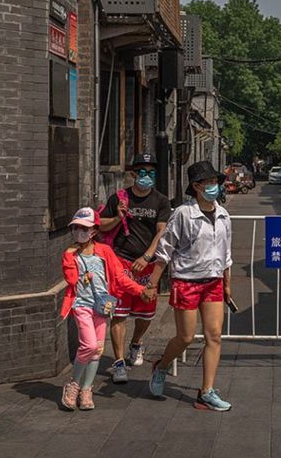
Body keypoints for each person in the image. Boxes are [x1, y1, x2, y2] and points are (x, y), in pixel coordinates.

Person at [147, 160, 233, 411]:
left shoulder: (223, 215)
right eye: (208, 183)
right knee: (185, 337)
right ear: (196, 186)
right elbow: (164, 251)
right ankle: (161, 366)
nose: (213, 187)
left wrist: (227, 284)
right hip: (186, 282)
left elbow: (226, 253)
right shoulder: (183, 214)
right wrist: (152, 284)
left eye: (215, 182)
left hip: (213, 282)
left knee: (214, 336)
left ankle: (206, 391)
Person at [59, 207, 157, 411]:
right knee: (88, 346)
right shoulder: (70, 255)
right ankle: (73, 385)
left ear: (94, 231)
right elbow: (71, 280)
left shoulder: (105, 252)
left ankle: (87, 389)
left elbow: (120, 278)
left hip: (102, 306)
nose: (79, 232)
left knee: (98, 350)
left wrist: (140, 290)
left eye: (84, 228)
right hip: (81, 305)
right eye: (76, 228)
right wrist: (71, 260)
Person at [98, 153, 172, 384]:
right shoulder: (119, 198)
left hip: (147, 266)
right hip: (120, 260)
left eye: (151, 173)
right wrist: (118, 217)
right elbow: (100, 225)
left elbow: (162, 232)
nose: (146, 176)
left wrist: (147, 256)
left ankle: (136, 343)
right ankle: (119, 362)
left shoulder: (161, 201)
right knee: (118, 313)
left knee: (145, 313)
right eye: (142, 172)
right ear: (133, 174)